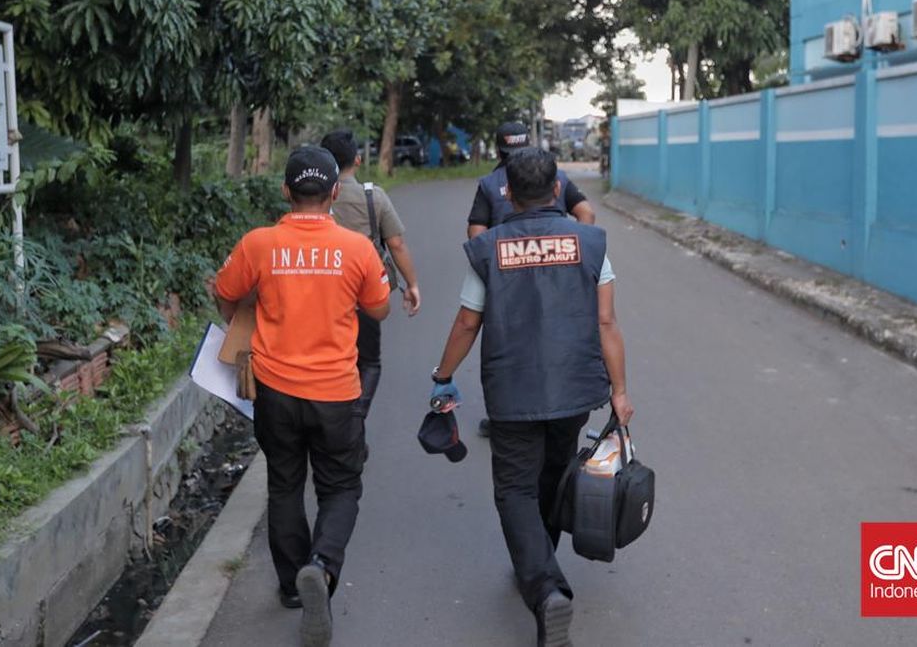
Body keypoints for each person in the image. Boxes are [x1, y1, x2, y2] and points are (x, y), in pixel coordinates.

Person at [431, 147, 634, 647]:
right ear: (558, 189)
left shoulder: (490, 248)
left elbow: (467, 321)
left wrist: (443, 374)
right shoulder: (590, 242)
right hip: (575, 389)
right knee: (554, 474)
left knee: (515, 489)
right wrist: (621, 392)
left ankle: (544, 588)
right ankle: (538, 564)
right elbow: (606, 321)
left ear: (508, 193)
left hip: (513, 390)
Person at [213, 146, 390, 647]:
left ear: (286, 191)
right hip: (336, 392)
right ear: (335, 193)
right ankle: (323, 565)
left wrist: (242, 317)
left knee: (284, 485)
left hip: (275, 392)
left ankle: (294, 586)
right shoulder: (356, 247)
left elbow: (225, 293)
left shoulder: (259, 243)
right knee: (341, 489)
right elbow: (379, 310)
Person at [469, 121, 596, 438]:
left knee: (511, 344)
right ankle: (559, 412)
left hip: (505, 275)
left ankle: (513, 416)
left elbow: (475, 232)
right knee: (555, 337)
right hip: (558, 270)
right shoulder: (556, 175)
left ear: (499, 149)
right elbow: (587, 214)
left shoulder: (489, 184)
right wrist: (578, 246)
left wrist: (488, 261)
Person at [320, 130, 420, 436]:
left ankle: (330, 419)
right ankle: (354, 418)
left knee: (328, 358)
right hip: (364, 291)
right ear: (358, 160)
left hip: (322, 291)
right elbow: (397, 244)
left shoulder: (315, 196)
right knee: (369, 362)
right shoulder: (372, 195)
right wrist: (412, 284)